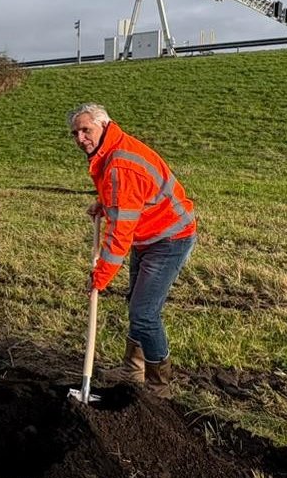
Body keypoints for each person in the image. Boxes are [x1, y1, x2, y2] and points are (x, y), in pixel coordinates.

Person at [68, 103, 197, 395]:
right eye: (75, 133)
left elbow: (119, 235)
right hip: (149, 231)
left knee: (144, 313)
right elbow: (129, 195)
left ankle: (158, 384)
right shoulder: (110, 150)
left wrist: (101, 276)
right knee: (137, 304)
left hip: (168, 239)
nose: (80, 138)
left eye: (86, 130)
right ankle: (133, 368)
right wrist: (105, 201)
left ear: (103, 125)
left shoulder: (120, 164)